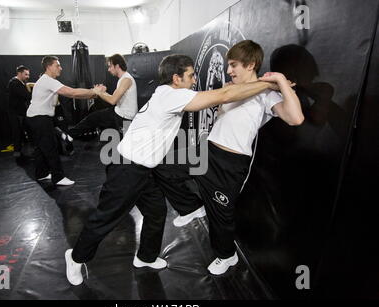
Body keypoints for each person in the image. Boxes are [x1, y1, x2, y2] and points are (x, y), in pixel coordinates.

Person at [64, 54, 289, 286]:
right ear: (176, 78)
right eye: (191, 76)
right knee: (106, 217)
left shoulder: (164, 92)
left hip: (143, 169)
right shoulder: (172, 95)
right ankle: (75, 257)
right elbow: (223, 95)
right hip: (127, 168)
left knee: (156, 211)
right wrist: (271, 83)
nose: (194, 80)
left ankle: (146, 257)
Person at [170, 40, 304, 276]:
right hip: (207, 150)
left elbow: (295, 119)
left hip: (230, 164)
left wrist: (281, 82)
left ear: (251, 64)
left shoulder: (266, 95)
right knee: (162, 166)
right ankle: (191, 208)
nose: (228, 70)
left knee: (221, 216)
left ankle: (227, 256)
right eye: (227, 65)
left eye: (233, 65)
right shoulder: (232, 87)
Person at [26, 56, 105, 186]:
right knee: (51, 148)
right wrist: (94, 92)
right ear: (48, 67)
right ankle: (58, 177)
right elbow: (72, 92)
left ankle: (41, 174)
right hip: (39, 119)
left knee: (41, 147)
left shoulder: (47, 80)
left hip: (36, 118)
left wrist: (93, 93)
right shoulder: (48, 81)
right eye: (57, 65)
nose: (60, 68)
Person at [69, 54, 138, 139]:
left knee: (123, 145)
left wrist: (99, 92)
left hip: (124, 118)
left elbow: (113, 101)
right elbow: (114, 98)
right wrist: (103, 92)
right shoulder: (123, 78)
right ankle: (70, 135)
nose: (108, 70)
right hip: (119, 113)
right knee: (93, 117)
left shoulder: (126, 79)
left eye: (110, 66)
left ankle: (70, 135)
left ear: (117, 66)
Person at [7, 65, 32, 157]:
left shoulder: (21, 82)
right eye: (26, 74)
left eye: (28, 74)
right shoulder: (14, 83)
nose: (27, 76)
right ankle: (17, 151)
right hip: (15, 112)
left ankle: (28, 146)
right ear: (19, 73)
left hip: (22, 111)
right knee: (16, 131)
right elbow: (26, 95)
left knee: (27, 129)